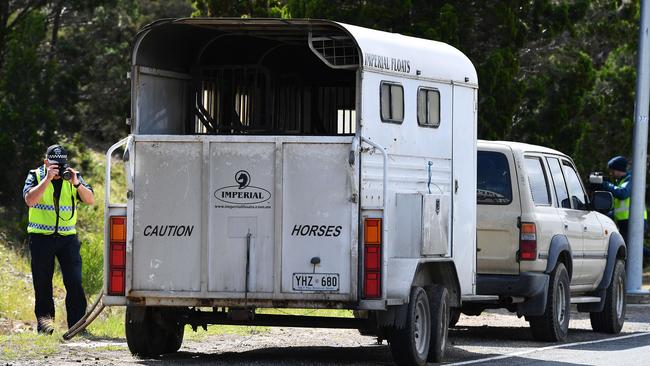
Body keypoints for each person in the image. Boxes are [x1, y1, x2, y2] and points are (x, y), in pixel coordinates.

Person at [23, 144, 94, 334]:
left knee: (75, 282)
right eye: (54, 165)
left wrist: (77, 184)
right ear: (46, 162)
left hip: (67, 239)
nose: (58, 170)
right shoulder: (36, 175)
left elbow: (90, 200)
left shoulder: (72, 176)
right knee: (43, 284)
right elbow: (30, 200)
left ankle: (78, 328)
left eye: (61, 165)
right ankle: (46, 329)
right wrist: (47, 179)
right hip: (41, 239)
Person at [600, 156, 649, 253]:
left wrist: (606, 185)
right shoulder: (622, 181)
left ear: (619, 169)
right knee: (628, 248)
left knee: (631, 247)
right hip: (625, 222)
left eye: (612, 170)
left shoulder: (631, 179)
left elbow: (623, 194)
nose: (611, 173)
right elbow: (621, 206)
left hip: (635, 221)